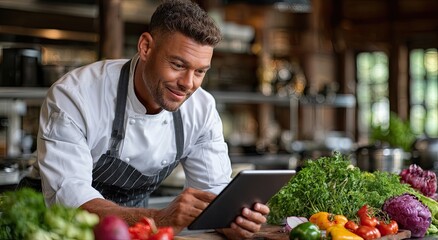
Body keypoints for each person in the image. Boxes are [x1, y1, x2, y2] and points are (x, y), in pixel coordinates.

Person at [23, 0, 269, 239]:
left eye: (200, 71)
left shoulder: (201, 109)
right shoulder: (76, 96)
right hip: (55, 231)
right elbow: (70, 201)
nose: (188, 83)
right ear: (145, 47)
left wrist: (232, 220)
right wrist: (158, 219)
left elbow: (212, 194)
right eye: (177, 64)